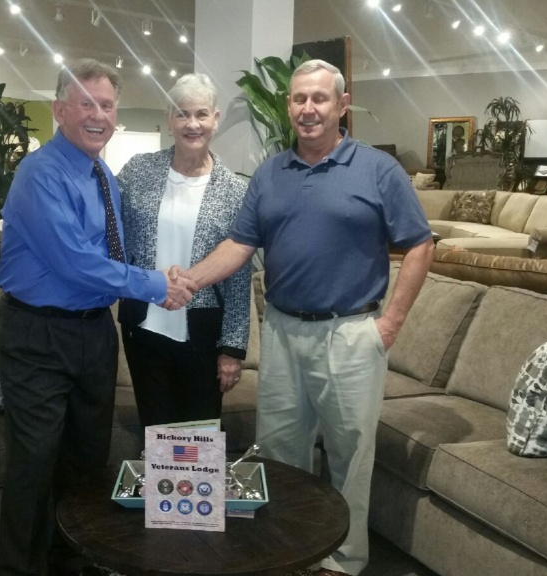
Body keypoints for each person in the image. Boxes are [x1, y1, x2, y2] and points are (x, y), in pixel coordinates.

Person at [184, 59, 434, 576]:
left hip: (350, 332)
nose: (308, 108)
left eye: (319, 98)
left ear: (342, 105)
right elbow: (238, 245)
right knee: (279, 455)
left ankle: (342, 563)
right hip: (281, 329)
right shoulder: (270, 174)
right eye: (299, 98)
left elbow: (420, 244)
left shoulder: (378, 170)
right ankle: (287, 554)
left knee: (349, 456)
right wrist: (187, 281)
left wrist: (390, 323)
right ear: (289, 105)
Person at [0, 58, 197, 576]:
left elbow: (113, 254)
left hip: (94, 333)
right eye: (86, 104)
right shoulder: (40, 174)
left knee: (87, 459)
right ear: (60, 110)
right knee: (34, 461)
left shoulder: (103, 174)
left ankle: (72, 562)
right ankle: (21, 569)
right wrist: (157, 285)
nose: (98, 115)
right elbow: (75, 262)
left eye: (106, 105)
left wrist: (166, 275)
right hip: (37, 334)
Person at [115, 73, 252, 427]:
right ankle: (158, 470)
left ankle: (192, 471)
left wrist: (232, 348)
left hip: (204, 333)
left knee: (197, 435)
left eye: (201, 114)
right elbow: (109, 231)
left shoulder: (235, 191)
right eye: (182, 114)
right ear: (169, 119)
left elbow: (239, 278)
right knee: (155, 431)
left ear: (215, 119)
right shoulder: (138, 171)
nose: (192, 124)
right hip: (143, 327)